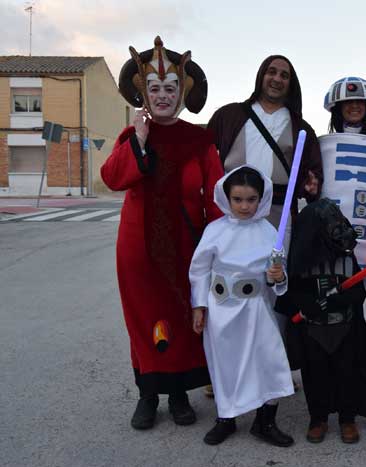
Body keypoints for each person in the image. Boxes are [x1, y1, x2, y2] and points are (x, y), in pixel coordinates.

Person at [101, 36, 223, 430]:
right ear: (144, 94)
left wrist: (219, 246)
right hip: (138, 248)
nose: (163, 96)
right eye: (154, 89)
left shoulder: (200, 141)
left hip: (186, 246)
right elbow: (113, 178)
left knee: (183, 316)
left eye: (170, 88)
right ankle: (148, 394)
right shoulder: (132, 136)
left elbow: (216, 198)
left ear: (181, 94)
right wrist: (138, 140)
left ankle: (179, 394)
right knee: (143, 318)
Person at [189, 166, 295, 447]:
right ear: (227, 198)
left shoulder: (269, 232)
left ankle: (265, 421)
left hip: (256, 310)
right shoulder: (215, 230)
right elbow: (200, 270)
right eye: (237, 199)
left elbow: (277, 274)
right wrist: (199, 305)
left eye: (251, 199)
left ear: (261, 198)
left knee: (268, 362)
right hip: (222, 310)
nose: (245, 206)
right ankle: (226, 418)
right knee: (226, 365)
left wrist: (277, 276)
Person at [281, 198, 366, 444]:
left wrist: (339, 300)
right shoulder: (300, 260)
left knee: (347, 374)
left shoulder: (347, 259)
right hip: (312, 331)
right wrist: (308, 304)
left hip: (344, 328)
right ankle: (318, 418)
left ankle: (347, 418)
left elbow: (358, 292)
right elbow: (292, 291)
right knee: (314, 376)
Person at [207, 54, 322, 234]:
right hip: (231, 212)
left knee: (273, 254)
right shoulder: (228, 116)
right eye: (272, 72)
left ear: (291, 84)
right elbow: (204, 155)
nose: (277, 79)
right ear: (261, 75)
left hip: (278, 215)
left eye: (284, 76)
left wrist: (311, 186)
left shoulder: (301, 129)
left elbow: (313, 172)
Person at [319, 77, 366, 268]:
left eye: (360, 101)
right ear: (338, 108)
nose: (355, 106)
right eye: (348, 102)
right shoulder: (323, 145)